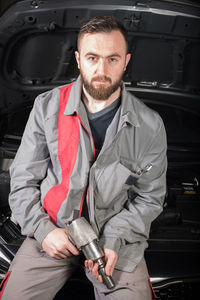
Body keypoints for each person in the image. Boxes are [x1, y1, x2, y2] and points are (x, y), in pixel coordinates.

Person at [0, 16, 167, 300]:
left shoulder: (149, 126)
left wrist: (114, 239)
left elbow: (150, 198)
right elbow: (23, 180)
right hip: (52, 230)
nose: (101, 70)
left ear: (126, 61)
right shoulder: (47, 108)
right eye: (92, 57)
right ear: (78, 59)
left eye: (112, 59)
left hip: (117, 242)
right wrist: (43, 230)